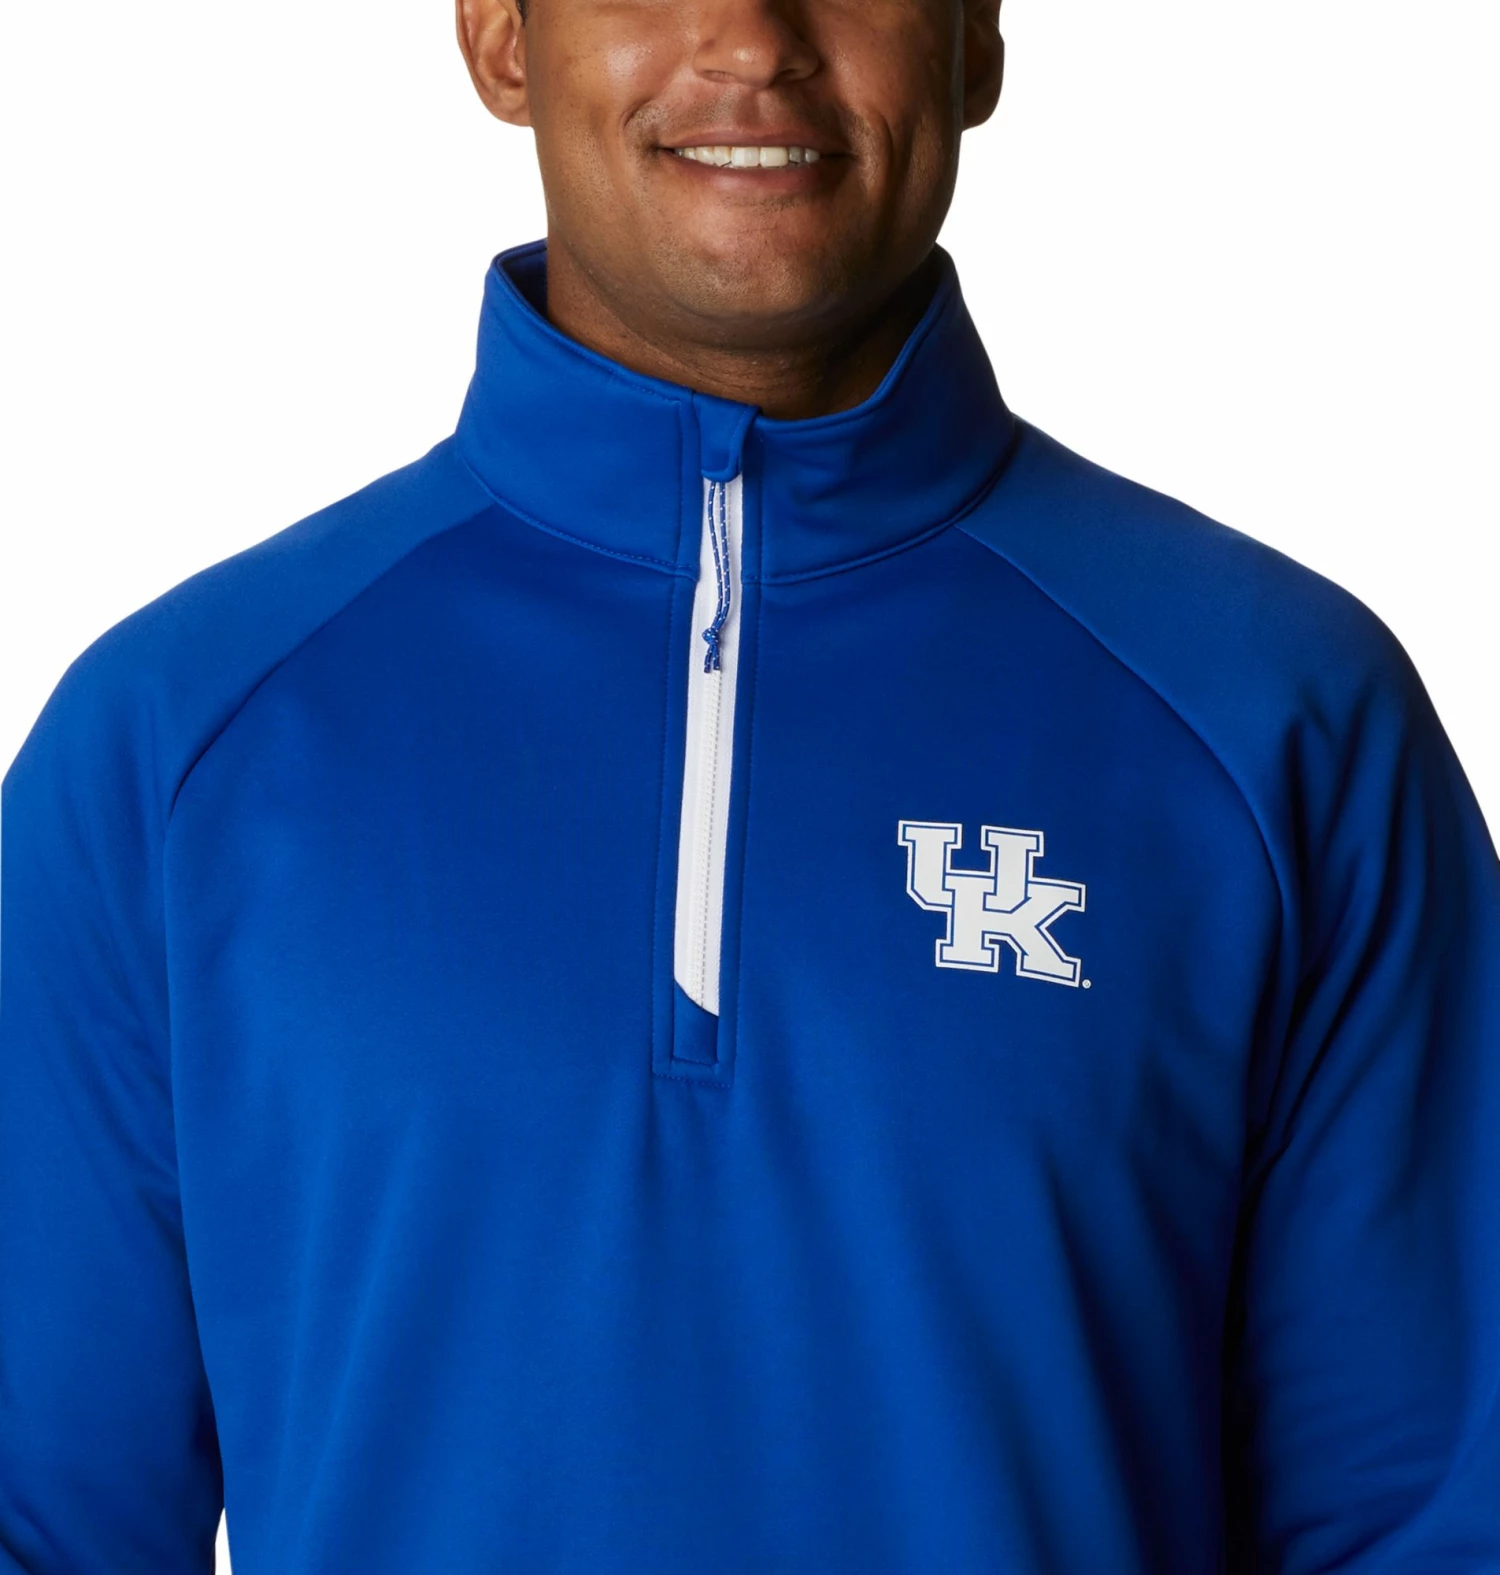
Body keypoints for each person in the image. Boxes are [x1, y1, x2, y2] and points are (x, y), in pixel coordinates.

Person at [1, 0, 1496, 1569]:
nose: (751, 37)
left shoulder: (1281, 723)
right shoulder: (170, 749)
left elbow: (1438, 1518)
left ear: (978, 38)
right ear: (501, 37)